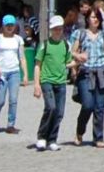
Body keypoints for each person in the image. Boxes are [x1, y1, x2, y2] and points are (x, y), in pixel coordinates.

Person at [71, 8, 104, 149]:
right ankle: (79, 132)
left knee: (100, 106)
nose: (94, 20)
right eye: (92, 17)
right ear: (87, 19)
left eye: (97, 18)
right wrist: (78, 57)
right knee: (87, 105)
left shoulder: (103, 34)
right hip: (86, 72)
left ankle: (98, 137)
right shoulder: (80, 34)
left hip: (101, 72)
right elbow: (72, 51)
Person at [32, 15, 78, 151]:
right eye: (55, 29)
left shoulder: (65, 44)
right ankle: (41, 136)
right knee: (50, 107)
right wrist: (36, 84)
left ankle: (52, 138)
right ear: (51, 30)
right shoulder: (45, 45)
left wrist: (78, 61)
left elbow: (68, 63)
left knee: (59, 112)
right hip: (47, 80)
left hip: (61, 81)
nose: (58, 31)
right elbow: (37, 65)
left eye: (60, 28)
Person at [0, 14, 30, 134]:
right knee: (0, 100)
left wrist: (25, 74)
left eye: (12, 25)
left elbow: (22, 58)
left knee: (13, 99)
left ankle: (10, 124)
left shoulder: (18, 39)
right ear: (3, 26)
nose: (10, 27)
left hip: (14, 72)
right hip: (1, 73)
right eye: (8, 25)